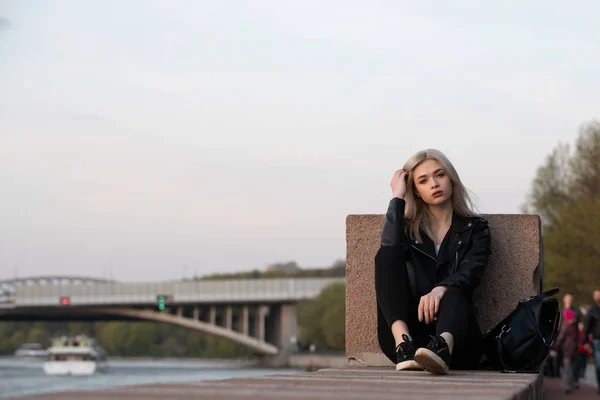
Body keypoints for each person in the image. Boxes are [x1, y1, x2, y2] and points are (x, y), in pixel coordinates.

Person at [374, 149, 491, 375]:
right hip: (413, 335)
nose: (434, 184)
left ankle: (442, 348)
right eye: (423, 180)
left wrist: (440, 289)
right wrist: (397, 197)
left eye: (440, 175)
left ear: (451, 179)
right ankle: (403, 345)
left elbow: (472, 270)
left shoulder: (475, 229)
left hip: (459, 340)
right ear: (415, 191)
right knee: (386, 256)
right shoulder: (406, 231)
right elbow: (388, 250)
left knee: (455, 289)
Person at [584, 289, 600, 394]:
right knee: (599, 364)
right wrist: (585, 341)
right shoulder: (592, 310)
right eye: (596, 295)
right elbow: (586, 326)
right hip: (597, 340)